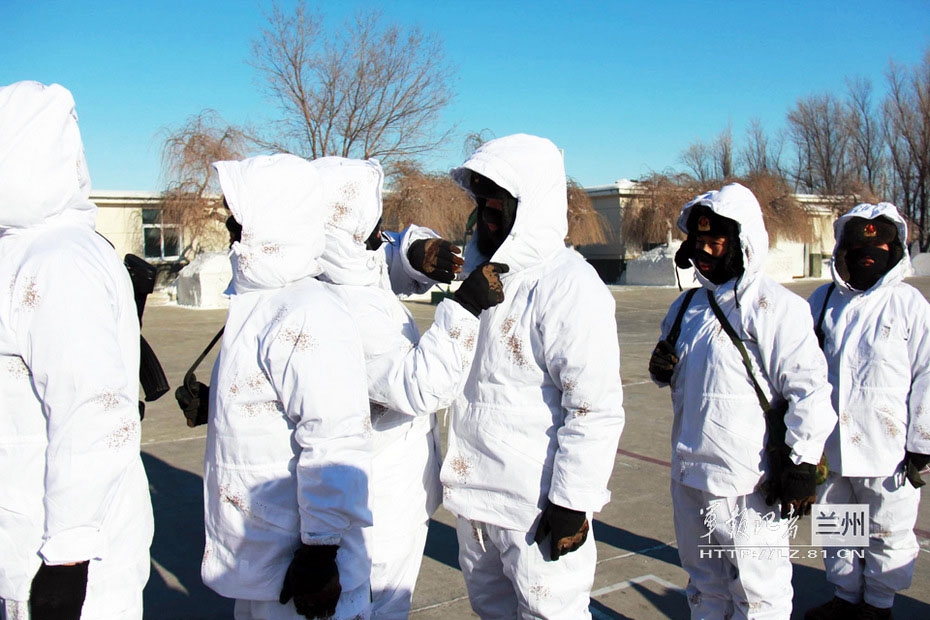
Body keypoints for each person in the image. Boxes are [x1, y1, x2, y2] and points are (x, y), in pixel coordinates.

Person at [310, 156, 506, 618]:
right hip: (378, 497)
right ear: (349, 225)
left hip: (380, 488)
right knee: (378, 604)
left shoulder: (333, 265)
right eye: (374, 223)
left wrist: (412, 249)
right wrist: (464, 310)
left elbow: (377, 257)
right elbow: (420, 387)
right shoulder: (343, 309)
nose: (383, 233)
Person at [438, 133, 625, 618]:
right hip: (475, 498)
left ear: (531, 204)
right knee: (491, 611)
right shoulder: (481, 276)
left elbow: (593, 406)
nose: (487, 216)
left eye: (498, 204)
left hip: (535, 508)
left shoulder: (569, 285)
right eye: (481, 203)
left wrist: (572, 500)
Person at [0, 81, 154, 619]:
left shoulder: (58, 260)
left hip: (68, 561)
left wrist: (67, 561)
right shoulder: (22, 252)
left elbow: (92, 412)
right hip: (24, 537)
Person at [648, 183, 836, 619]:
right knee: (704, 580)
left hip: (747, 478)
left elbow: (809, 389)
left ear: (743, 243)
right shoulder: (687, 306)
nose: (706, 251)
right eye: (699, 241)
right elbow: (688, 375)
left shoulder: (776, 307)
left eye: (717, 242)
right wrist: (663, 368)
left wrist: (802, 462)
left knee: (757, 587)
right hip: (690, 469)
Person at [202, 154, 372, 620]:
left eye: (237, 215)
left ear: (270, 217)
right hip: (260, 557)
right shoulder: (259, 302)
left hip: (303, 571)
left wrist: (320, 553)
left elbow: (334, 437)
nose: (229, 226)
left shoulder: (306, 311)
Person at [804, 203, 930, 620]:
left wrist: (923, 442)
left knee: (886, 530)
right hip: (830, 445)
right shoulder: (822, 301)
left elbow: (928, 373)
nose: (867, 256)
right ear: (843, 250)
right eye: (858, 248)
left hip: (887, 447)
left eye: (878, 247)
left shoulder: (909, 305)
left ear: (895, 250)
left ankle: (878, 604)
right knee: (838, 527)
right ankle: (845, 595)